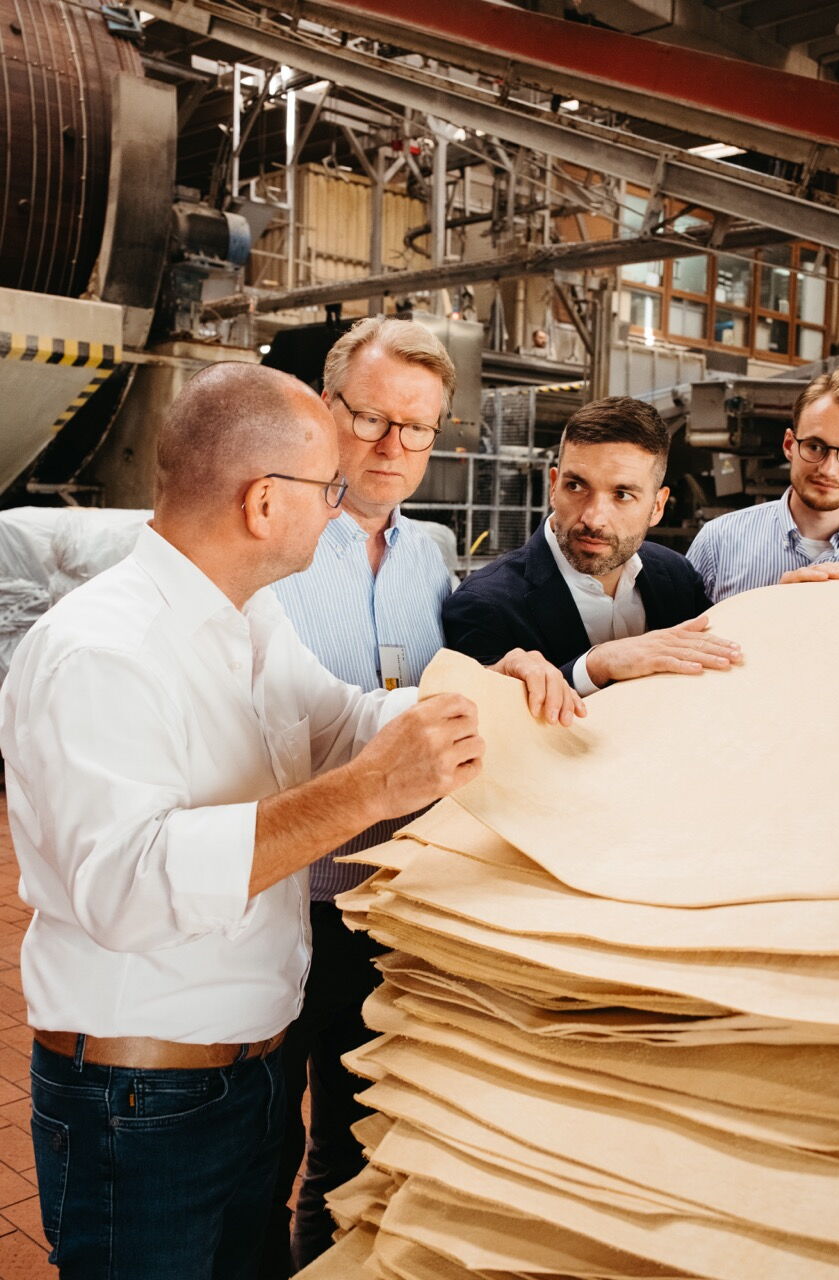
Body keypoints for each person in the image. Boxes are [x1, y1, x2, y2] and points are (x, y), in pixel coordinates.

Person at [0, 362, 578, 1280]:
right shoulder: (100, 653)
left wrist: (482, 701)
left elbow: (343, 719)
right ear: (265, 503)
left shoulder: (247, 617)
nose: (340, 503)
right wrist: (365, 793)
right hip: (140, 1101)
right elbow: (126, 889)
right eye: (329, 488)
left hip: (246, 1078)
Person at [262, 317, 585, 1275]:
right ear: (327, 409)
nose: (394, 447)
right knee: (259, 1143)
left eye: (420, 428)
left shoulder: (427, 556)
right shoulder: (272, 542)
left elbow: (438, 699)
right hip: (281, 896)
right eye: (371, 419)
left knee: (362, 1140)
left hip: (394, 899)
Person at [444, 396, 741, 693]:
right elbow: (485, 722)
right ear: (553, 486)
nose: (593, 518)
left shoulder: (677, 577)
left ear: (657, 506)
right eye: (576, 486)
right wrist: (593, 668)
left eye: (622, 495)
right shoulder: (484, 604)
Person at [687, 367, 839, 601]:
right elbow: (676, 636)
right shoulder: (719, 541)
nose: (828, 469)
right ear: (788, 445)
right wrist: (769, 606)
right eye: (815, 447)